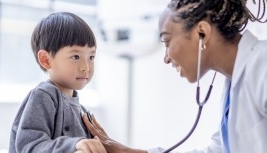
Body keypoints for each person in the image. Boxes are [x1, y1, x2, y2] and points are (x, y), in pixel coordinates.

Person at [81, 0, 267, 153]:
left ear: (202, 32)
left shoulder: (262, 64)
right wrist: (125, 151)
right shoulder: (235, 83)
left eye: (167, 41)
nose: (166, 58)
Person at [9, 12, 106, 153]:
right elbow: (29, 147)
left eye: (91, 57)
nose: (85, 66)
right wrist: (75, 144)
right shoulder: (43, 95)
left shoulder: (82, 111)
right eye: (75, 56)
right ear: (46, 59)